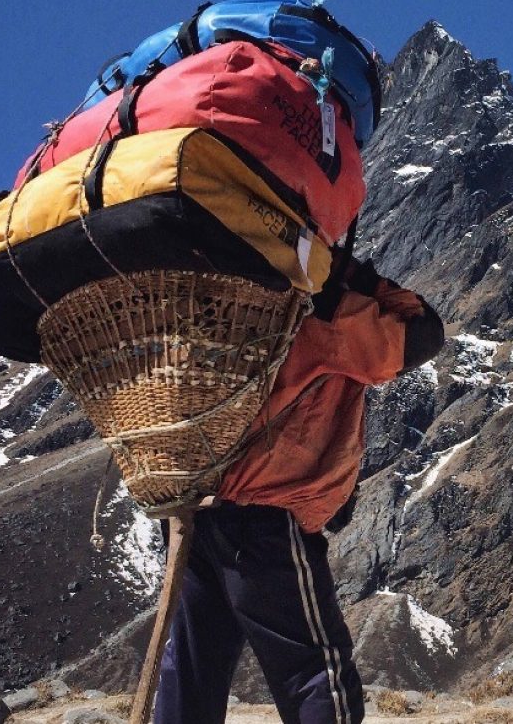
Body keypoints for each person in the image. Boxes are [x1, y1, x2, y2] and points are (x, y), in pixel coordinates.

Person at [154, 253, 445, 724]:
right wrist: (353, 275)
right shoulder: (316, 305)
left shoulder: (210, 290)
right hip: (263, 515)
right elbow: (421, 332)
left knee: (194, 664)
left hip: (194, 508)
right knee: (314, 670)